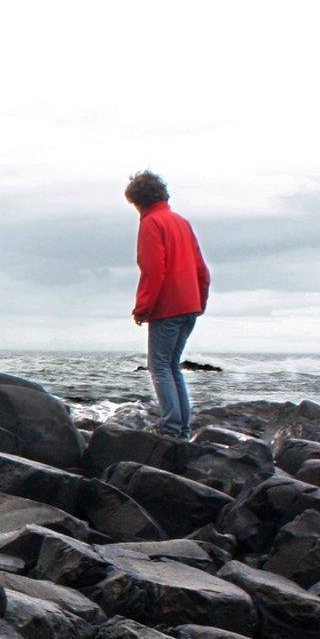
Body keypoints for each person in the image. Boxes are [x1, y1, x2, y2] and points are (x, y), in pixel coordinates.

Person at [126, 170, 209, 438]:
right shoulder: (181, 222)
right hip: (190, 305)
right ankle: (182, 428)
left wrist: (142, 308)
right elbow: (202, 270)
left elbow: (153, 270)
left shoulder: (152, 223)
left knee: (159, 365)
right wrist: (200, 301)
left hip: (167, 308)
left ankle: (171, 427)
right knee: (173, 365)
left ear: (137, 201)